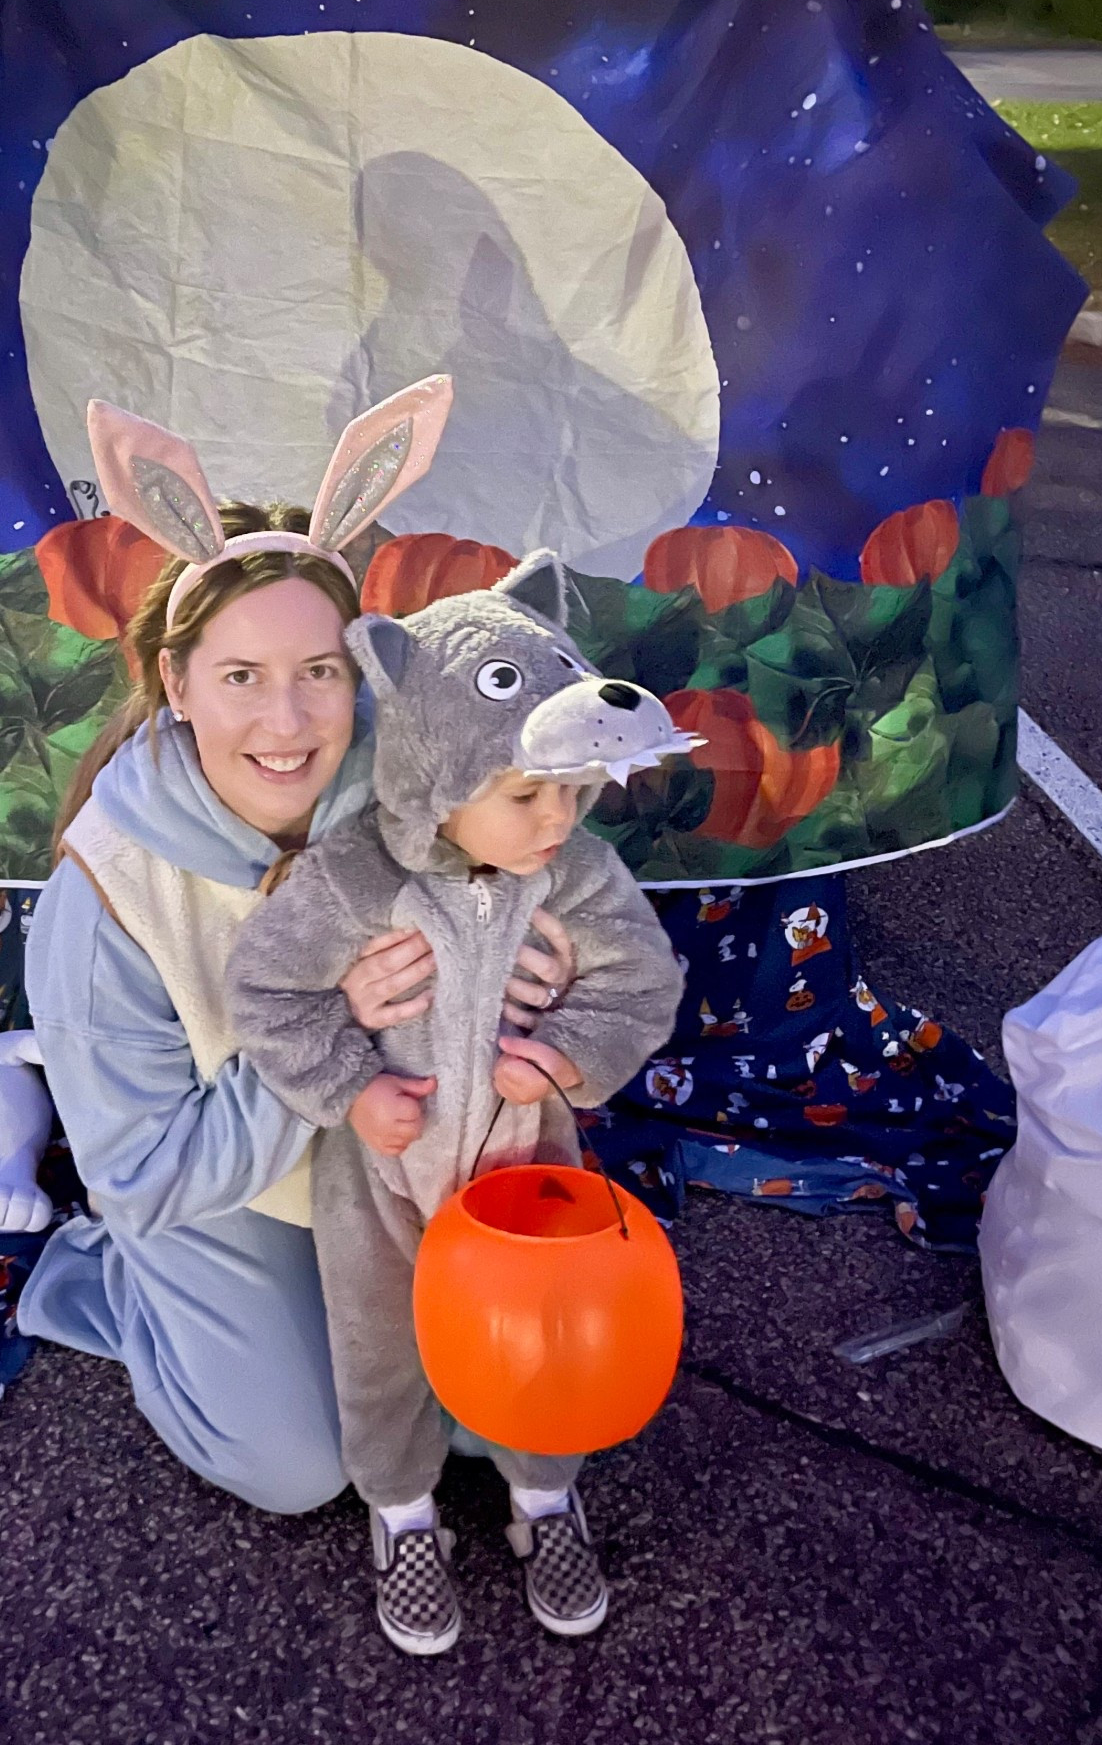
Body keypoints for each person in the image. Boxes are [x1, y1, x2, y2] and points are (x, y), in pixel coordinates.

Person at [17, 381, 576, 1514]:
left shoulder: (409, 779)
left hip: (395, 1164)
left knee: (492, 1422)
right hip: (213, 1190)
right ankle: (123, 1292)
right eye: (240, 677)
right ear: (176, 682)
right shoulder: (108, 897)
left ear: (357, 670)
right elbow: (147, 1171)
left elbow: (529, 864)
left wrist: (541, 967)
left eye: (318, 672)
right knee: (299, 1468)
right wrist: (337, 1036)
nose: (288, 722)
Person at [227, 554, 686, 1651]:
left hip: (530, 1165)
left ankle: (544, 1499)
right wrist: (351, 1085)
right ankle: (402, 1512)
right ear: (436, 777)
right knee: (379, 1344)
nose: (556, 819)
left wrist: (569, 1055)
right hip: (383, 1173)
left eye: (572, 791)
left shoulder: (572, 875)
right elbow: (266, 990)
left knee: (552, 1339)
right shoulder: (353, 878)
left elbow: (644, 981)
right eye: (525, 793)